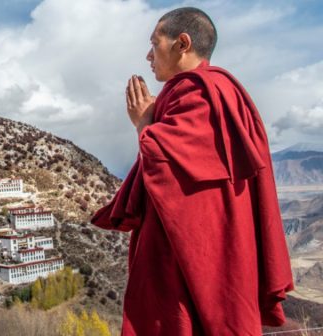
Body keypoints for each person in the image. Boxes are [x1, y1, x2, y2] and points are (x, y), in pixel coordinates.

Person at [91, 7, 294, 335]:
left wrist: (144, 124)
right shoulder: (221, 93)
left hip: (189, 254)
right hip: (222, 244)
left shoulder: (199, 91)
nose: (148, 55)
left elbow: (168, 165)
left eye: (154, 43)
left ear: (182, 43)